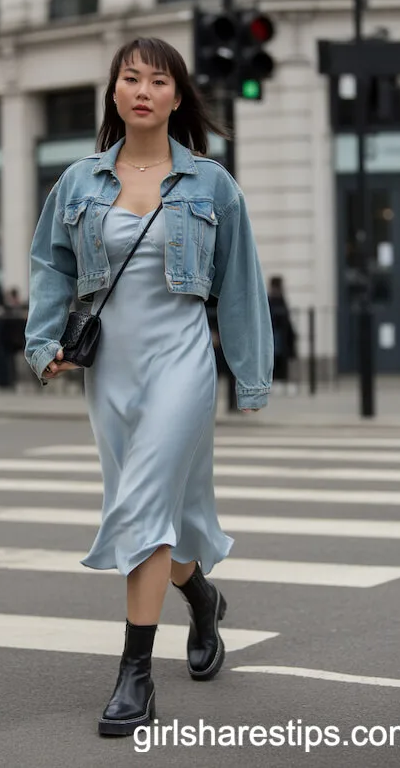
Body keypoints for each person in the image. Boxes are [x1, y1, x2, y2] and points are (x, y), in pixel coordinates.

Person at [25, 37, 273, 736]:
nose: (142, 89)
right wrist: (42, 345)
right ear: (114, 93)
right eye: (129, 78)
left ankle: (135, 675)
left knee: (140, 504)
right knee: (168, 511)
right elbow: (51, 266)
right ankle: (200, 595)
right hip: (110, 369)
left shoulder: (211, 184)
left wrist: (250, 377)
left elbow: (241, 286)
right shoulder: (77, 182)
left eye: (157, 80)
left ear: (176, 96)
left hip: (181, 361)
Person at [268, 275, 297, 393]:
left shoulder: (279, 298)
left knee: (280, 357)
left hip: (280, 333)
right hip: (276, 333)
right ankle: (276, 380)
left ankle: (280, 380)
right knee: (276, 357)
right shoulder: (273, 299)